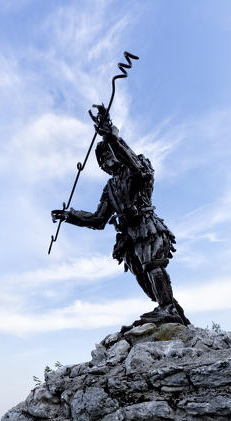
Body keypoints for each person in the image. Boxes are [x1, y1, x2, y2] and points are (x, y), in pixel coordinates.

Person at [52, 104, 189, 326]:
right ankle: (171, 311)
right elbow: (98, 219)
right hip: (128, 236)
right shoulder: (110, 188)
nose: (107, 162)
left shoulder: (137, 166)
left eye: (108, 156)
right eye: (102, 161)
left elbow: (134, 167)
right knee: (145, 279)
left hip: (146, 226)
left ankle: (168, 309)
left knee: (154, 265)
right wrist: (69, 216)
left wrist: (112, 138)